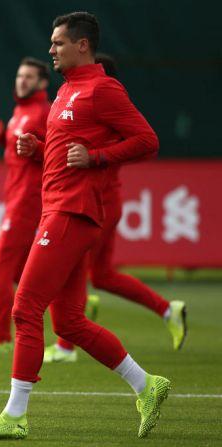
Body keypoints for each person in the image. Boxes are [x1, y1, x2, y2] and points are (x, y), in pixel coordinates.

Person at [0, 12, 170, 440]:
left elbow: (148, 140)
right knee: (70, 323)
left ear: (82, 45)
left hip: (71, 213)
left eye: (58, 43)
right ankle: (147, 385)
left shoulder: (102, 88)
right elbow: (65, 155)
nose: (51, 49)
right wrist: (38, 148)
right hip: (59, 209)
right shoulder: (64, 92)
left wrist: (96, 158)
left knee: (24, 309)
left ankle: (15, 415)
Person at [44, 53, 187, 363]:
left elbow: (144, 143)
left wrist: (96, 156)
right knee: (103, 274)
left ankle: (66, 344)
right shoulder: (80, 99)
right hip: (100, 200)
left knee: (71, 266)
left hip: (99, 203)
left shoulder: (103, 98)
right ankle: (167, 310)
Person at [0, 58, 51, 353]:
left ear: (42, 83)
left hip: (28, 200)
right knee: (20, 274)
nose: (22, 81)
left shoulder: (43, 113)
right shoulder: (20, 112)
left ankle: (2, 337)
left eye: (29, 77)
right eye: (19, 75)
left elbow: (53, 153)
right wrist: (4, 140)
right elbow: (22, 152)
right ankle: (69, 299)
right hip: (15, 195)